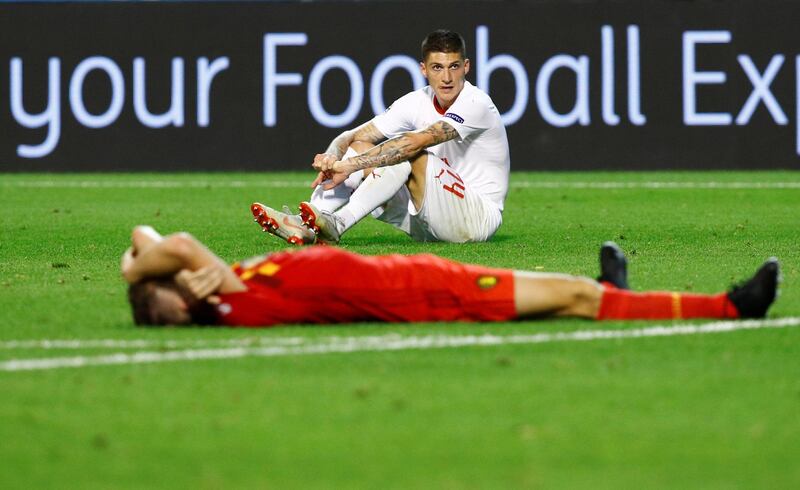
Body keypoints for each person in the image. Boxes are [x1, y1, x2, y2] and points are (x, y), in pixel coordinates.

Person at [121, 225, 780, 327]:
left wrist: (135, 269)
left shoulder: (234, 276)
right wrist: (142, 275)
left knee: (573, 290)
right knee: (577, 295)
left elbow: (146, 239)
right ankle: (730, 307)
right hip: (430, 294)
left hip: (422, 272)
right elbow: (170, 241)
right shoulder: (237, 303)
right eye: (172, 284)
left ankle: (622, 296)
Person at [251, 29, 510, 245]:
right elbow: (352, 136)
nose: (446, 77)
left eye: (454, 66)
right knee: (359, 147)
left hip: (475, 221)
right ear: (423, 69)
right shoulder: (416, 101)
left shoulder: (476, 103)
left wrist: (349, 166)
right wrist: (333, 157)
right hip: (425, 221)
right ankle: (310, 221)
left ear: (466, 67)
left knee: (409, 152)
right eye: (437, 67)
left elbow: (415, 143)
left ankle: (338, 224)